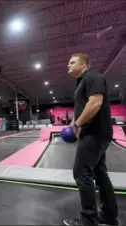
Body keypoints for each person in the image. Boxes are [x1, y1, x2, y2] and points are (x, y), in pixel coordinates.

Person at [63, 53, 119, 226]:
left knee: (81, 173)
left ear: (85, 64)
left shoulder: (93, 76)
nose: (68, 65)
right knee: (99, 173)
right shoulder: (81, 82)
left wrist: (78, 124)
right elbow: (82, 107)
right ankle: (109, 216)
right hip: (95, 133)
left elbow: (95, 103)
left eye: (72, 62)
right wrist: (73, 124)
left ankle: (88, 220)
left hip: (94, 133)